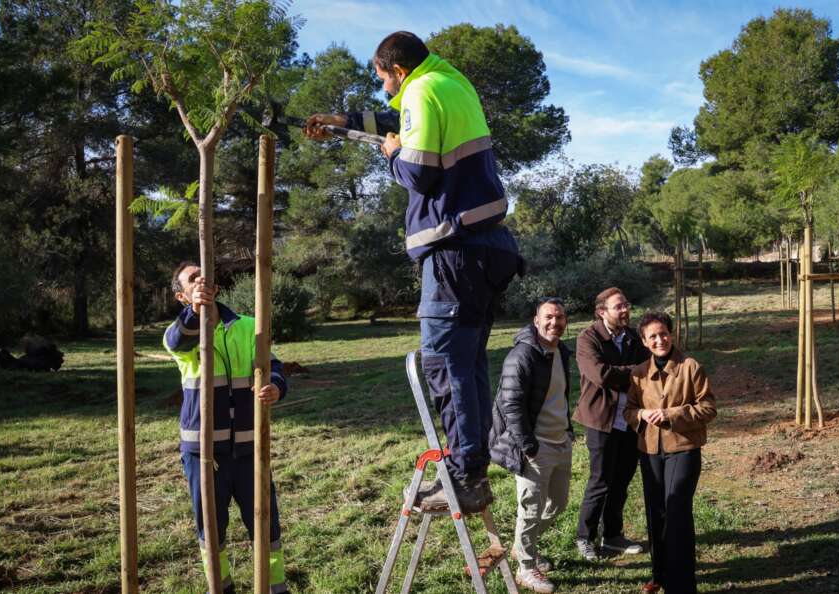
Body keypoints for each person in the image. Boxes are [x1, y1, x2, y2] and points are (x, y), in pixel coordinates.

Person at [305, 31, 522, 513]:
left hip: (452, 249)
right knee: (466, 367)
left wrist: (391, 156)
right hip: (484, 249)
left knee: (443, 363)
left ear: (398, 71)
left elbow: (418, 172)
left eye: (383, 79)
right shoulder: (449, 82)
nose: (383, 90)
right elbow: (394, 119)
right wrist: (342, 124)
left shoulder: (421, 92)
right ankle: (473, 469)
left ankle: (464, 477)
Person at [163, 262, 290, 594]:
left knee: (266, 526)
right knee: (212, 530)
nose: (202, 280)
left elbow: (272, 364)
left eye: (205, 276)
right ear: (182, 295)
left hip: (250, 449)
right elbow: (180, 341)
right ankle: (221, 588)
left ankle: (274, 589)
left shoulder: (249, 326)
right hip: (204, 455)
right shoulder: (178, 333)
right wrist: (195, 311)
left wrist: (276, 385)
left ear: (216, 288)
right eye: (193, 279)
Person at [624, 311, 716, 594]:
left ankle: (683, 584)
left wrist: (671, 414)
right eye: (652, 336)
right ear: (644, 341)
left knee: (677, 512)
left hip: (683, 450)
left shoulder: (690, 367)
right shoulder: (638, 373)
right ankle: (659, 575)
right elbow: (628, 410)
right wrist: (642, 413)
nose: (659, 340)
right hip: (650, 452)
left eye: (663, 333)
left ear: (671, 334)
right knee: (656, 513)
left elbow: (709, 408)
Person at [489, 298, 574, 593]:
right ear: (536, 321)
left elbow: (559, 396)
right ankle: (526, 567)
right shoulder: (522, 355)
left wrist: (568, 430)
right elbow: (510, 404)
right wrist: (528, 446)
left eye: (560, 317)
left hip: (562, 441)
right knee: (530, 510)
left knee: (559, 504)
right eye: (549, 317)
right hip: (535, 448)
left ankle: (520, 546)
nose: (555, 322)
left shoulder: (561, 351)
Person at [572, 288, 649, 560]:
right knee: (601, 480)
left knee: (622, 480)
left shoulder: (631, 337)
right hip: (601, 420)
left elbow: (649, 365)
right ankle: (585, 537)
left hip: (629, 419)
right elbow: (601, 375)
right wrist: (636, 372)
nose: (626, 310)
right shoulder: (587, 338)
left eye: (626, 304)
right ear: (602, 311)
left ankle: (613, 536)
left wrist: (635, 372)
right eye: (619, 306)